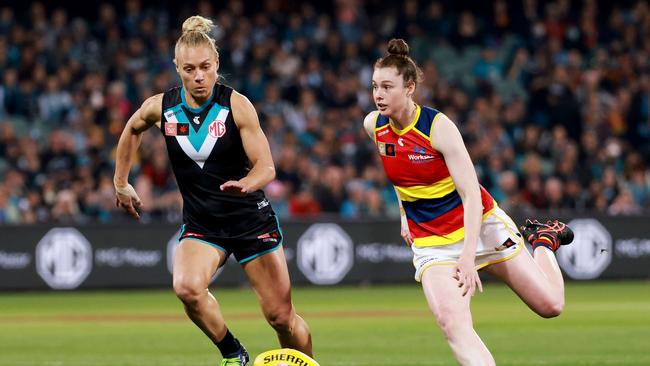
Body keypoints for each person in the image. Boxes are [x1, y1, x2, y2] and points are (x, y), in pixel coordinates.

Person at [113, 15, 312, 366]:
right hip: (204, 224)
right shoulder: (162, 106)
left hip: (251, 221)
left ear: (217, 63)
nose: (198, 76)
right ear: (177, 68)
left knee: (281, 317)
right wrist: (120, 181)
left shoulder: (237, 105)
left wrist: (248, 184)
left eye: (205, 67)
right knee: (186, 288)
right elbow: (132, 128)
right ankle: (234, 354)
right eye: (189, 69)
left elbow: (267, 167)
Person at [363, 39, 574, 366]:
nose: (378, 94)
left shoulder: (438, 128)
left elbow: (472, 195)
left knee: (551, 306)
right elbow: (400, 178)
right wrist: (405, 215)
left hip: (482, 226)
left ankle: (544, 241)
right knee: (452, 323)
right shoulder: (373, 126)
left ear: (409, 88)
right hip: (432, 242)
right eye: (375, 86)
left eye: (387, 87)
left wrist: (466, 255)